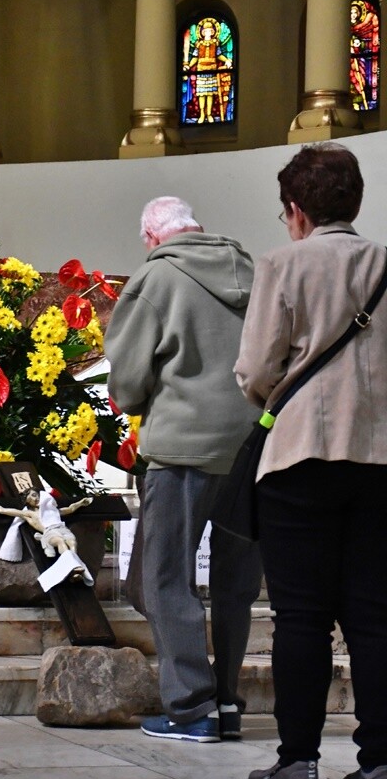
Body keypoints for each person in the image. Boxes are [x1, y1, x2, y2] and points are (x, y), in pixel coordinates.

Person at [235, 142, 387, 779]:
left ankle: (298, 764)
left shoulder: (282, 264)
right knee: (376, 618)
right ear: (353, 203)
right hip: (380, 460)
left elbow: (257, 370)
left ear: (295, 211)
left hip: (298, 457)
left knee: (300, 616)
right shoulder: (385, 264)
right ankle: (381, 766)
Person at [104, 196, 262, 742]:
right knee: (236, 583)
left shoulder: (156, 281)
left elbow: (125, 384)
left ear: (152, 236)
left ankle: (191, 708)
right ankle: (227, 701)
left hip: (184, 451)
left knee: (162, 577)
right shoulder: (252, 271)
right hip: (252, 448)